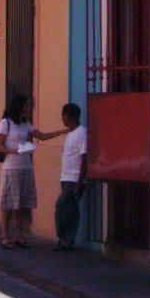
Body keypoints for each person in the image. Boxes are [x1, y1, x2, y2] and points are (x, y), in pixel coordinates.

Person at [0, 95, 67, 249]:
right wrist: (14, 151)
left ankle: (19, 235)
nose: (28, 109)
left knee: (21, 203)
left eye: (28, 106)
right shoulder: (5, 123)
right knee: (8, 204)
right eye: (25, 106)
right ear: (18, 106)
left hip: (26, 166)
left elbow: (42, 136)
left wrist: (61, 132)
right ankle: (4, 235)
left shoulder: (26, 124)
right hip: (11, 168)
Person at [53, 103, 87, 251]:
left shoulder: (82, 133)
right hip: (66, 177)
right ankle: (66, 240)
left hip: (74, 179)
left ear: (68, 116)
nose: (62, 119)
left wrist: (80, 181)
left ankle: (64, 237)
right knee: (71, 210)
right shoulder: (69, 134)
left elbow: (83, 157)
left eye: (63, 115)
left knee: (62, 206)